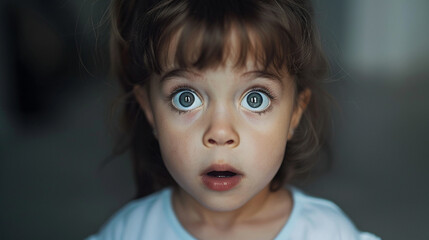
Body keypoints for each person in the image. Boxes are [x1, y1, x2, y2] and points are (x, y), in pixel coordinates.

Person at [87, 0, 381, 239]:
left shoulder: (327, 235)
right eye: (185, 98)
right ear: (149, 109)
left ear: (295, 113)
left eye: (256, 99)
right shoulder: (129, 233)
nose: (220, 132)